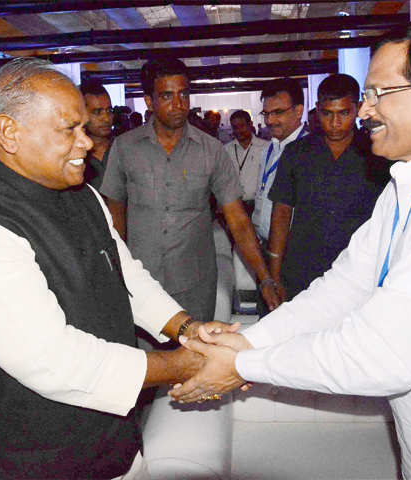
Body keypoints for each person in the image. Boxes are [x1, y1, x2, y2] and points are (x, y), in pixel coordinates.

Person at [172, 15, 411, 479]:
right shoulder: (409, 183)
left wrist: (243, 364)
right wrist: (246, 339)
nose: (365, 110)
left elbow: (383, 353)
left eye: (378, 94)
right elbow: (345, 289)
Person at [0, 58, 234, 479]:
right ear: (10, 133)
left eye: (85, 127)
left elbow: (125, 273)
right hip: (21, 462)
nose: (86, 142)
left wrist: (186, 329)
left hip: (108, 447)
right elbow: (57, 362)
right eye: (70, 129)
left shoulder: (80, 193)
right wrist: (184, 364)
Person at [100, 58, 280, 326]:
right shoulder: (125, 148)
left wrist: (264, 278)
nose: (179, 104)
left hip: (195, 284)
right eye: (167, 96)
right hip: (142, 283)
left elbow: (238, 221)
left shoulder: (211, 150)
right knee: (149, 363)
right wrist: (116, 277)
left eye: (184, 94)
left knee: (195, 359)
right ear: (149, 101)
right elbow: (114, 222)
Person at [267, 74, 388, 302]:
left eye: (344, 113)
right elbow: (281, 215)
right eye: (327, 114)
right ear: (316, 109)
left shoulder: (377, 153)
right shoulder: (296, 154)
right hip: (302, 271)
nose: (335, 123)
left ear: (359, 108)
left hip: (358, 273)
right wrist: (274, 275)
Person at [252, 77, 306, 316]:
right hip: (265, 247)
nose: (270, 120)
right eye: (266, 113)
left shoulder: (310, 152)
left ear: (298, 111)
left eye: (278, 112)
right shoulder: (269, 149)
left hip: (293, 253)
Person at [223, 110, 269, 213]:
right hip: (234, 207)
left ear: (250, 124)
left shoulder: (265, 148)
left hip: (259, 207)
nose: (239, 130)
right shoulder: (226, 150)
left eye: (242, 126)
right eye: (235, 127)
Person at [79, 80, 114, 189]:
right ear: (81, 113)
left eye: (109, 111)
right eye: (97, 112)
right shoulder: (74, 155)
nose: (106, 118)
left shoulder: (124, 149)